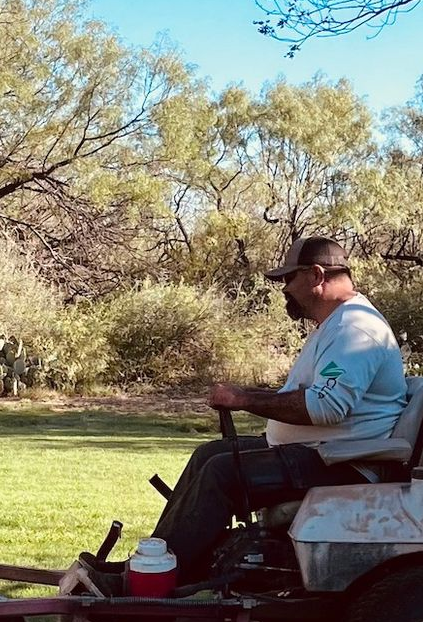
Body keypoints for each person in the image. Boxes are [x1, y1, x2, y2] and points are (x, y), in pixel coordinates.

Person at [150, 235, 407, 578]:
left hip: (344, 464)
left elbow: (325, 407)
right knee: (209, 455)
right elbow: (316, 396)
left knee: (222, 473)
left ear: (316, 276)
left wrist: (243, 399)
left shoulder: (357, 328)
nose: (284, 288)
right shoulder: (336, 325)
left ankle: (156, 578)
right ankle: (157, 561)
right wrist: (248, 396)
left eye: (289, 278)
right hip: (321, 453)